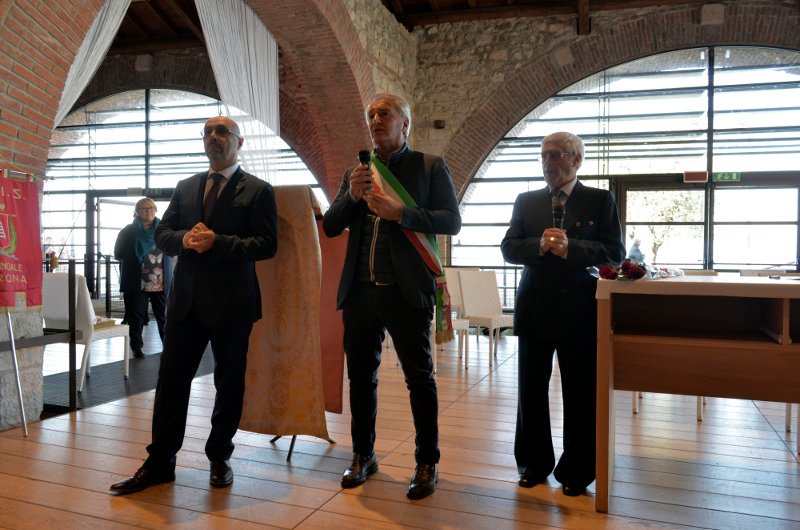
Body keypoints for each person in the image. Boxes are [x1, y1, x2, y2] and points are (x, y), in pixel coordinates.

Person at [110, 116, 278, 494]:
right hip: (185, 304)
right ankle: (160, 462)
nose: (213, 137)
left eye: (222, 132)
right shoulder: (186, 187)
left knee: (228, 383)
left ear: (239, 142)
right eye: (207, 133)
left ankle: (219, 457)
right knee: (171, 382)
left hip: (233, 304)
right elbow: (163, 234)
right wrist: (186, 239)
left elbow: (267, 244)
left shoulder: (258, 190)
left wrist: (217, 241)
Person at [323, 92, 461, 500]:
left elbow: (451, 220)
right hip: (360, 292)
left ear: (405, 124)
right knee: (360, 378)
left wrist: (401, 213)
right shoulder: (357, 173)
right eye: (371, 115)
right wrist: (352, 195)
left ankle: (426, 461)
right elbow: (330, 226)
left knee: (419, 378)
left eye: (385, 113)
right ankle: (363, 455)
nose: (376, 120)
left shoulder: (429, 166)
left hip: (407, 291)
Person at [500, 131, 625, 497]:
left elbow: (614, 253)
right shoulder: (526, 201)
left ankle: (577, 471)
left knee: (580, 394)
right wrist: (538, 246)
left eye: (556, 155)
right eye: (543, 155)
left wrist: (573, 248)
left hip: (580, 310)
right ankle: (533, 464)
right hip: (535, 307)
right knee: (531, 392)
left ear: (576, 159)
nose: (547, 162)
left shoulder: (600, 200)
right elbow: (508, 247)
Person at [114, 198, 169, 358]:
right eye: (144, 208)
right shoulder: (128, 231)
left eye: (151, 208)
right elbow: (118, 252)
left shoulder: (164, 230)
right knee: (136, 315)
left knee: (164, 315)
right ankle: (136, 347)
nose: (148, 211)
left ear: (156, 210)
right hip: (135, 279)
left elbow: (172, 249)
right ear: (137, 212)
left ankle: (168, 346)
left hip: (160, 279)